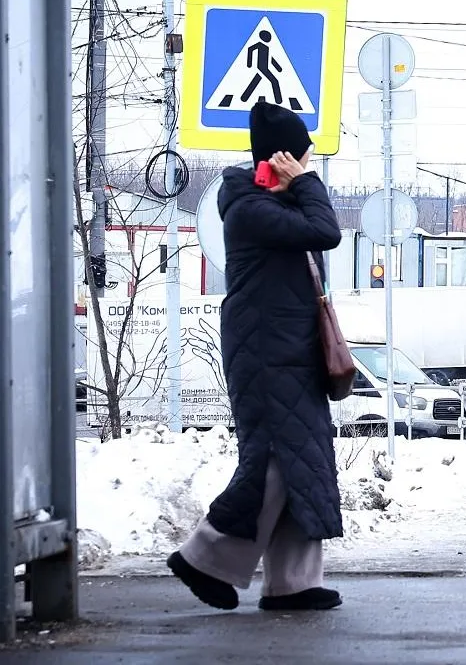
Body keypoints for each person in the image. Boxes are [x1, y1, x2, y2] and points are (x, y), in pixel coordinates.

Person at [166, 101, 344, 612]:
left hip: (292, 351)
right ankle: (203, 557)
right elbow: (326, 231)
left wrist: (296, 187)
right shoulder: (248, 209)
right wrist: (306, 184)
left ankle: (293, 582)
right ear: (285, 158)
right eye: (303, 158)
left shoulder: (276, 206)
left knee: (302, 461)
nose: (309, 167)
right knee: (271, 460)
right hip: (266, 351)